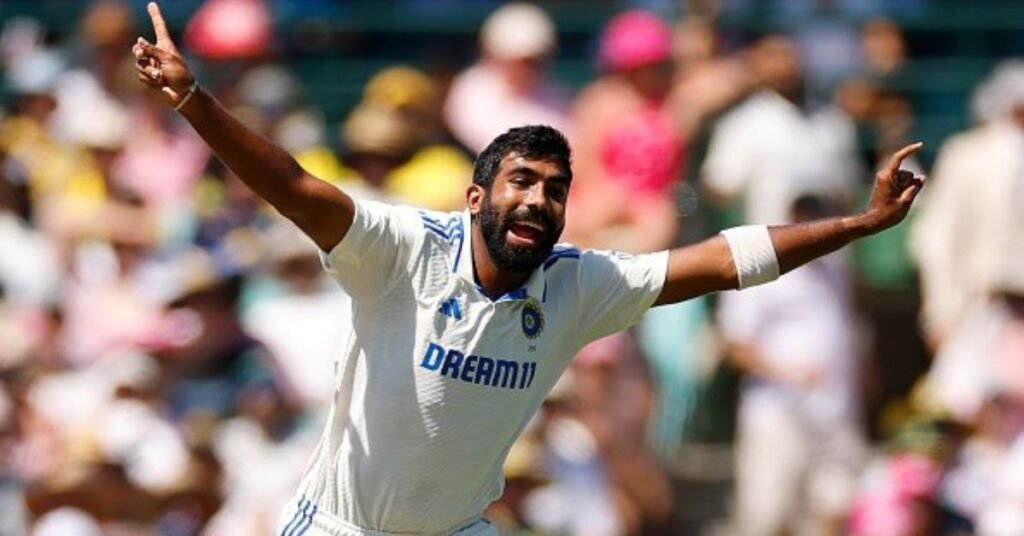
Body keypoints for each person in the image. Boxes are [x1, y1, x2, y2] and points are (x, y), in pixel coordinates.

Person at [133, 3, 925, 534]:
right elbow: (296, 187)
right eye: (522, 181)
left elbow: (722, 260)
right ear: (477, 195)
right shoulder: (403, 251)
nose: (540, 199)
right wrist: (195, 99)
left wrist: (862, 222)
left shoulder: (578, 286)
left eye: (555, 189)